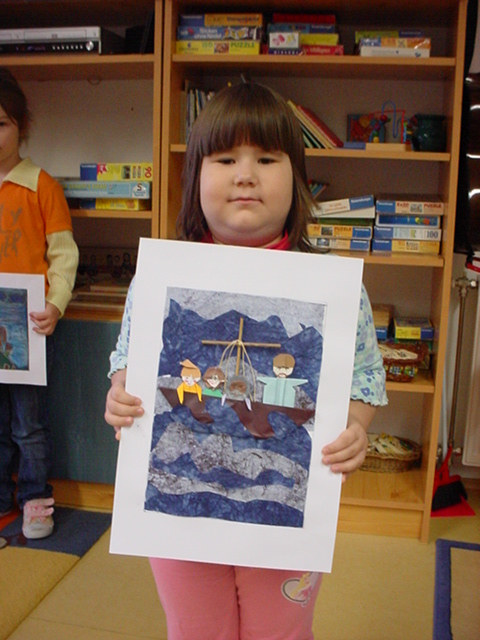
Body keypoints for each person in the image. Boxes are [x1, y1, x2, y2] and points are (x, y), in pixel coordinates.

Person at [105, 81, 387, 640]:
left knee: (281, 630)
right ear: (195, 176)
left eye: (267, 158)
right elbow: (127, 363)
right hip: (178, 520)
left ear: (297, 178)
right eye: (225, 158)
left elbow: (363, 379)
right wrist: (120, 396)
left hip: (288, 517)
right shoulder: (158, 278)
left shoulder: (336, 290)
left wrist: (354, 427)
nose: (245, 174)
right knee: (195, 629)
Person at [0, 68, 79, 539]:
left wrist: (55, 304)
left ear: (21, 126)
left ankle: (34, 499)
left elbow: (63, 254)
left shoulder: (41, 186)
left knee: (28, 424)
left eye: (1, 124)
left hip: (28, 326)